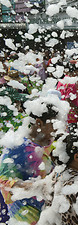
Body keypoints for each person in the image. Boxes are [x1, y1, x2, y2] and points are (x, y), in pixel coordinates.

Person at [0, 96, 68, 224]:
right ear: (39, 123)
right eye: (53, 124)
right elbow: (3, 183)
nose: (56, 129)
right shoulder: (18, 148)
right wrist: (37, 187)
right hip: (25, 217)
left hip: (47, 215)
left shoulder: (47, 144)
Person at [56, 61, 78, 132]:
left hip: (62, 112)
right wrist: (77, 110)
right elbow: (68, 99)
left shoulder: (61, 81)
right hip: (72, 115)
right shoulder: (72, 82)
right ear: (75, 71)